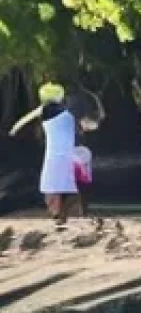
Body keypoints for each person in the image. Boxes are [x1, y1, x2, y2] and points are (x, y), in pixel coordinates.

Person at [8, 83, 79, 226]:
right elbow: (83, 126)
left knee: (50, 186)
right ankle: (63, 212)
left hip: (53, 154)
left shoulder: (44, 109)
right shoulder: (68, 112)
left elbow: (24, 120)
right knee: (62, 184)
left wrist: (13, 130)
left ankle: (57, 213)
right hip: (68, 154)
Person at [72, 143, 93, 218]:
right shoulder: (68, 150)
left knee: (83, 196)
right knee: (77, 196)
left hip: (84, 178)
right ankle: (79, 213)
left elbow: (82, 162)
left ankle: (84, 213)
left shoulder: (85, 150)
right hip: (75, 177)